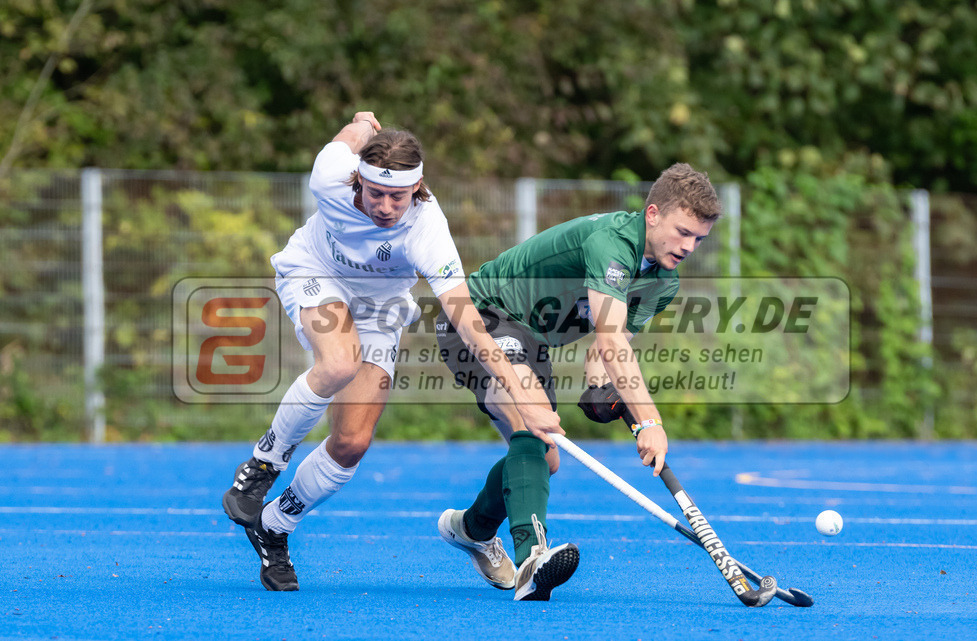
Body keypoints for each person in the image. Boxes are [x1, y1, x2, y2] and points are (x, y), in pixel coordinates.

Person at [221, 111, 562, 591]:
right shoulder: (329, 177)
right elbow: (348, 136)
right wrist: (362, 123)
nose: (384, 206)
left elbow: (470, 324)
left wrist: (524, 397)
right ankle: (263, 464)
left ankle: (274, 526)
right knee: (339, 361)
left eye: (397, 196)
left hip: (380, 309)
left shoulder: (427, 229)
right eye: (375, 193)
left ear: (416, 188)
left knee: (351, 444)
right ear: (357, 179)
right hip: (314, 274)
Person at [434, 163, 721, 601]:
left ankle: (471, 529)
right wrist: (648, 422)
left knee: (544, 459)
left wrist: (602, 389)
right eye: (682, 232)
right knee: (532, 426)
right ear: (653, 213)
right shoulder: (611, 243)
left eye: (698, 239)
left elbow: (604, 352)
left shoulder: (663, 282)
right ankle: (533, 559)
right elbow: (609, 339)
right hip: (479, 318)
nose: (689, 246)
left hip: (531, 342)